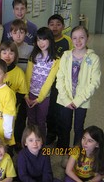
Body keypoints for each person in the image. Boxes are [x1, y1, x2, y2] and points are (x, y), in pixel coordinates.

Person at [56, 26, 101, 155]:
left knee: (78, 127)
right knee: (65, 125)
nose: (78, 41)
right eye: (75, 38)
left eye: (82, 37)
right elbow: (60, 78)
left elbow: (94, 83)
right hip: (65, 99)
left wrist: (78, 100)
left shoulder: (93, 59)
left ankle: (76, 152)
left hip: (82, 100)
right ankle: (63, 150)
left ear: (88, 38)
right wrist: (66, 99)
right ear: (71, 39)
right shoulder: (66, 56)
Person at [25, 27, 59, 141]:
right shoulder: (33, 56)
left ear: (50, 40)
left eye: (44, 39)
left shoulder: (55, 60)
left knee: (40, 121)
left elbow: (49, 81)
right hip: (30, 94)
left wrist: (39, 99)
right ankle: (30, 141)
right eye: (39, 40)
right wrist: (26, 95)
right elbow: (28, 76)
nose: (41, 43)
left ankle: (41, 143)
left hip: (43, 97)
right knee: (30, 120)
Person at [46, 14, 73, 145]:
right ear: (48, 26)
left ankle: (62, 137)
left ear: (63, 26)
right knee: (50, 110)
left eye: (58, 24)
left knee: (61, 110)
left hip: (62, 82)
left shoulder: (68, 41)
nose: (55, 27)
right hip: (47, 82)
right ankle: (51, 133)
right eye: (52, 24)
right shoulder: (46, 41)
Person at [0, 41, 28, 151]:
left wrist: (13, 103)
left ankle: (13, 146)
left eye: (11, 53)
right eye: (4, 52)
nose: (7, 55)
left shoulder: (18, 72)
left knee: (11, 129)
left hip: (11, 108)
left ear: (15, 55)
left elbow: (22, 91)